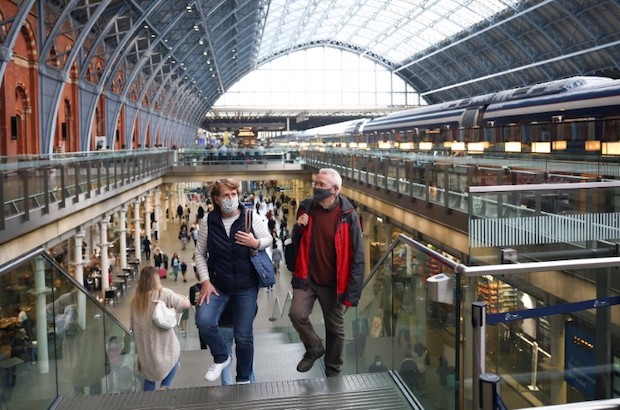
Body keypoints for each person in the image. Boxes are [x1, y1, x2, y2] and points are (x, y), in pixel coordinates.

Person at [287, 168, 365, 377]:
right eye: (316, 183)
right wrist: (298, 228)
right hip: (308, 278)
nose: (316, 187)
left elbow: (358, 256)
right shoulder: (307, 207)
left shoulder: (349, 216)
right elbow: (296, 244)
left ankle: (333, 370)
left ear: (335, 189)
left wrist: (352, 293)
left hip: (334, 283)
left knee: (335, 329)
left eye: (321, 184)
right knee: (296, 314)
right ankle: (314, 347)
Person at [194, 178, 272, 384]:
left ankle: (244, 378)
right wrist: (205, 281)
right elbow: (200, 254)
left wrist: (255, 242)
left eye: (234, 194)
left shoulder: (249, 216)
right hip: (218, 285)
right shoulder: (208, 222)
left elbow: (269, 239)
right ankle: (221, 357)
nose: (231, 199)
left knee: (244, 336)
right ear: (216, 199)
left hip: (246, 286)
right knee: (204, 321)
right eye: (226, 195)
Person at [130, 266, 190, 391]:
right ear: (156, 279)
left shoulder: (136, 301)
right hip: (163, 345)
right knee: (175, 354)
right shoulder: (163, 293)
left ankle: (149, 402)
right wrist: (184, 300)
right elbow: (185, 304)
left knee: (149, 376)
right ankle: (164, 386)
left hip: (145, 349)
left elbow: (132, 326)